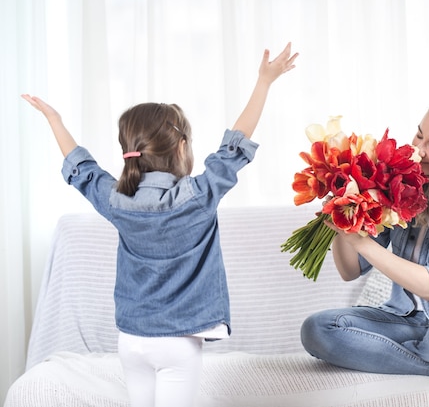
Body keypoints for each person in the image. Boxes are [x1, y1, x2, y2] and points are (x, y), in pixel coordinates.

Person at [22, 42, 298, 407]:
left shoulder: (116, 201)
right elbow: (235, 146)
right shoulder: (200, 196)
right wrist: (264, 82)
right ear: (182, 147)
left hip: (131, 340)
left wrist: (55, 121)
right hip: (178, 344)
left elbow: (83, 170)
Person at [300, 96, 429, 377]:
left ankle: (392, 355)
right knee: (318, 328)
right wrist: (345, 209)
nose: (418, 150)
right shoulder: (397, 184)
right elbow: (350, 270)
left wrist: (359, 241)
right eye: (419, 135)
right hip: (405, 320)